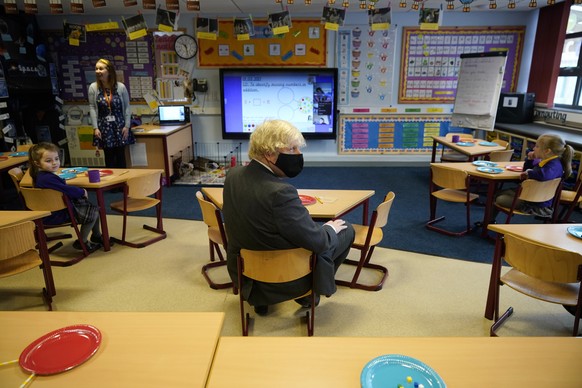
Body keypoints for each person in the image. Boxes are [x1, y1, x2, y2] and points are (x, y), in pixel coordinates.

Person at [222, 120, 355, 316]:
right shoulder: (280, 192)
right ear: (269, 153)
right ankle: (309, 292)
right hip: (284, 278)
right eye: (292, 148)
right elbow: (319, 242)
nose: (298, 154)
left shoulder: (233, 175)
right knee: (344, 230)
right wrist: (329, 229)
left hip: (245, 274)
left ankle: (262, 300)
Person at [28, 142, 104, 253]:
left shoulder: (42, 176)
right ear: (37, 163)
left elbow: (63, 189)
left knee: (94, 209)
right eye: (48, 161)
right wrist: (82, 191)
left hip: (52, 211)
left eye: (56, 159)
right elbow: (67, 190)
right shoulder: (47, 179)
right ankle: (82, 242)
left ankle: (96, 236)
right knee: (94, 212)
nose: (54, 163)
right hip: (57, 214)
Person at [491, 133, 574, 222]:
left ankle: (489, 222)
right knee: (498, 193)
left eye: (537, 146)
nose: (534, 148)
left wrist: (529, 173)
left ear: (547, 151)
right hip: (530, 196)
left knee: (499, 198)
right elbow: (527, 170)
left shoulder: (554, 165)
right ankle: (490, 221)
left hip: (536, 204)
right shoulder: (548, 162)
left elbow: (543, 175)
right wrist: (530, 160)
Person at [89, 58, 135, 169]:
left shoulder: (120, 87)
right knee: (109, 159)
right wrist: (95, 128)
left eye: (101, 69)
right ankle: (112, 184)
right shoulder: (93, 88)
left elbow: (127, 107)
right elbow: (92, 108)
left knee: (120, 157)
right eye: (96, 69)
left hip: (119, 126)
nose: (98, 71)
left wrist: (127, 126)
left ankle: (123, 184)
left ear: (109, 71)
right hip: (104, 127)